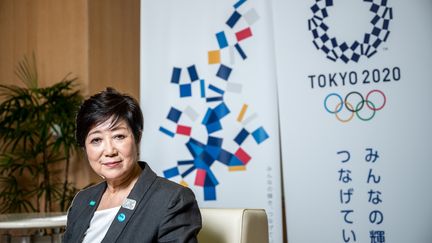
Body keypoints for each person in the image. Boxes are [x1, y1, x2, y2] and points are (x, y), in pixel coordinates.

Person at [63, 88, 202, 243]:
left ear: (137, 138)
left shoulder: (172, 199)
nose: (109, 151)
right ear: (85, 147)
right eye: (96, 140)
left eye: (119, 136)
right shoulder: (82, 200)